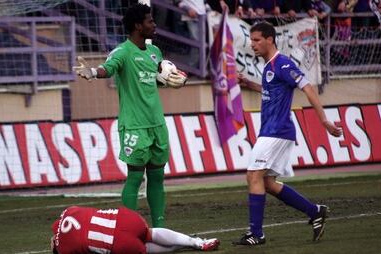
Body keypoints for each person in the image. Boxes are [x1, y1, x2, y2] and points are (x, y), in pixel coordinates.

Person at [72, 3, 186, 228]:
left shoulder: (155, 52)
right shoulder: (122, 51)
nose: (154, 25)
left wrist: (175, 81)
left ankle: (159, 228)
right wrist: (93, 72)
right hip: (134, 126)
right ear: (137, 25)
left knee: (157, 177)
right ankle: (126, 228)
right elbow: (109, 68)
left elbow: (154, 81)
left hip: (157, 124)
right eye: (150, 21)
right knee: (135, 177)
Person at [233, 22, 343, 245]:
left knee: (253, 176)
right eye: (251, 40)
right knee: (267, 183)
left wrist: (324, 120)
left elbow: (308, 87)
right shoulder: (269, 67)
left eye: (256, 40)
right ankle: (315, 211)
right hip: (271, 130)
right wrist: (249, 84)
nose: (252, 44)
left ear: (270, 39)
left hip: (277, 130)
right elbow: (272, 90)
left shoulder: (282, 64)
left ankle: (256, 233)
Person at [51, 206, 220, 253]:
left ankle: (184, 246)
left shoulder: (65, 249)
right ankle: (196, 242)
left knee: (144, 248)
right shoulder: (69, 211)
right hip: (127, 219)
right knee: (150, 233)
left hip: (120, 244)